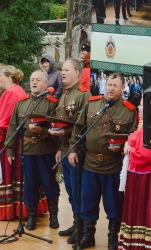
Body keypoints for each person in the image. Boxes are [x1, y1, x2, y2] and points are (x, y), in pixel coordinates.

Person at [69, 72, 137, 249]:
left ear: (123, 88)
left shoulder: (129, 110)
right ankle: (88, 236)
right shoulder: (93, 104)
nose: (111, 88)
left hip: (113, 165)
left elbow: (133, 139)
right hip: (90, 163)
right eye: (109, 84)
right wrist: (73, 150)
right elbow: (78, 127)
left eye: (115, 86)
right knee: (88, 201)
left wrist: (122, 148)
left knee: (113, 204)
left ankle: (112, 237)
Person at [0, 65, 48, 220]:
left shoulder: (11, 92)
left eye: (0, 75)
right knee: (14, 174)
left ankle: (7, 209)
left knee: (7, 173)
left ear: (9, 77)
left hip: (5, 138)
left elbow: (8, 119)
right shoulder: (12, 91)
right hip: (8, 136)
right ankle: (20, 207)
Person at [5, 70, 60, 230]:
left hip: (46, 150)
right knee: (29, 185)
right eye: (32, 80)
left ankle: (54, 216)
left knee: (49, 184)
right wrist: (9, 149)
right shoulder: (22, 103)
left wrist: (41, 132)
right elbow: (13, 126)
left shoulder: (51, 103)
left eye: (38, 80)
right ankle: (31, 217)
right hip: (27, 150)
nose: (34, 82)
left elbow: (56, 129)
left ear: (45, 84)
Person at [48, 58, 91, 244]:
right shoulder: (65, 94)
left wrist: (69, 142)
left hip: (77, 151)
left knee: (79, 190)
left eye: (66, 70)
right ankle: (76, 224)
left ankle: (82, 228)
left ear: (77, 72)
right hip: (64, 149)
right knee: (71, 190)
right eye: (61, 70)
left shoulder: (83, 94)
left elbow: (82, 125)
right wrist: (59, 146)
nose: (62, 72)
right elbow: (61, 121)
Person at [119, 98, 151, 249]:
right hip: (140, 175)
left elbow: (147, 154)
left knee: (146, 212)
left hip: (147, 177)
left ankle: (146, 244)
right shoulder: (146, 125)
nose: (139, 106)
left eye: (142, 104)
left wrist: (128, 149)